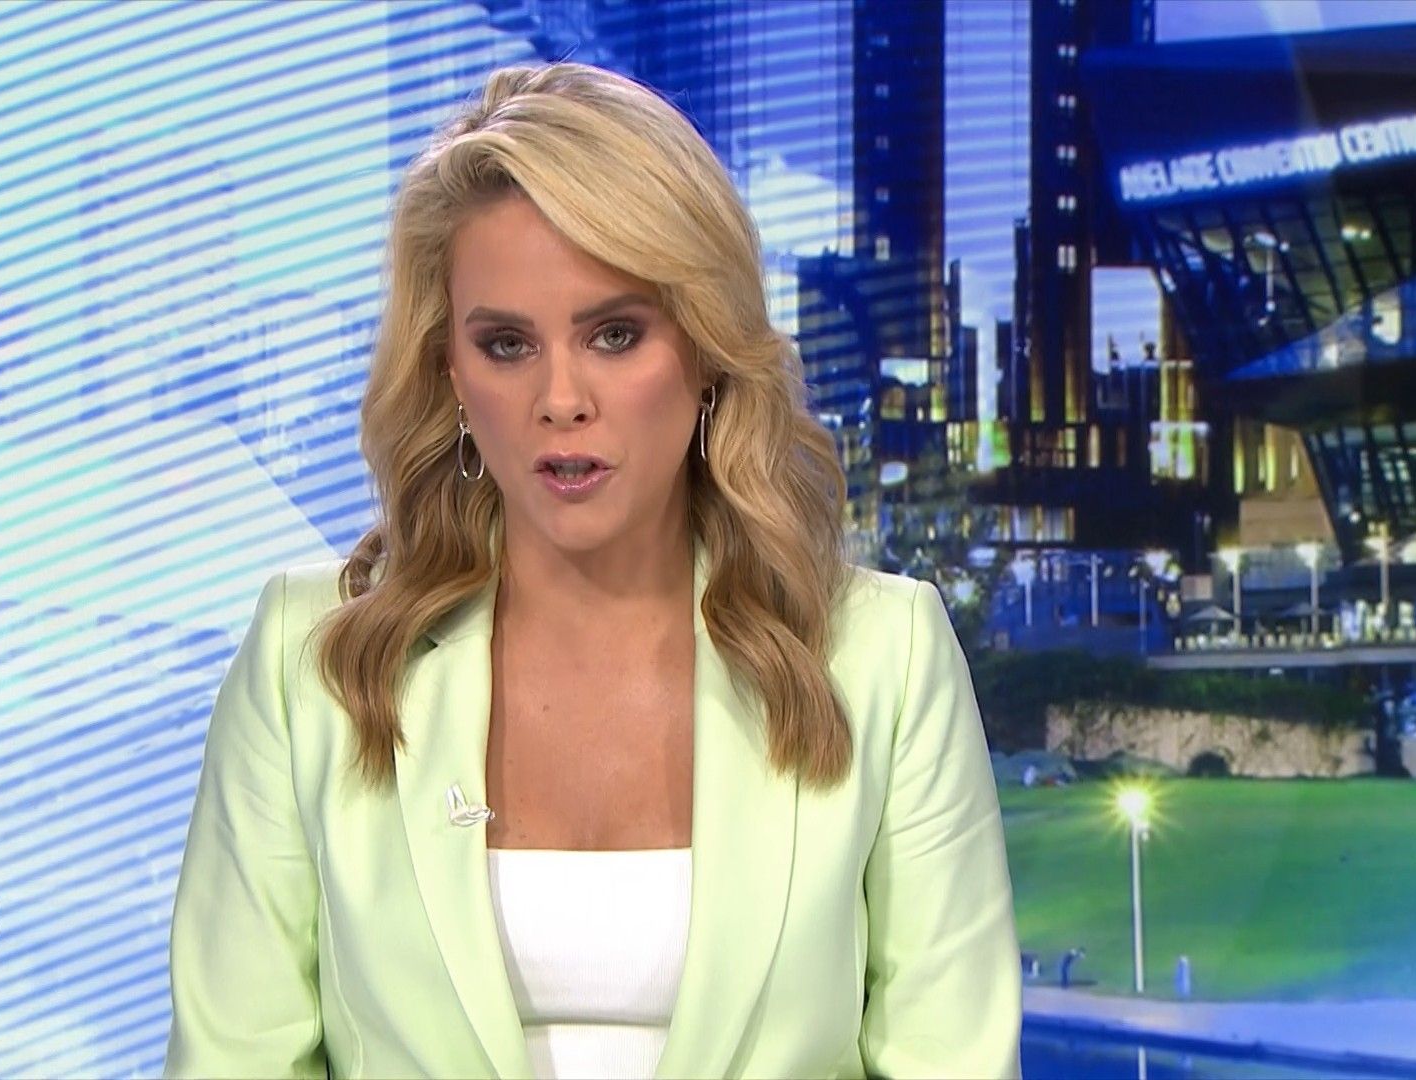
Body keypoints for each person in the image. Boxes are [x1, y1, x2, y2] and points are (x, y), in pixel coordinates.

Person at [164, 61, 1021, 1080]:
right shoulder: (308, 661)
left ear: (706, 350)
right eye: (506, 344)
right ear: (449, 372)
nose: (561, 398)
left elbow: (951, 1058)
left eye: (615, 335)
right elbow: (236, 1059)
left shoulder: (883, 658)